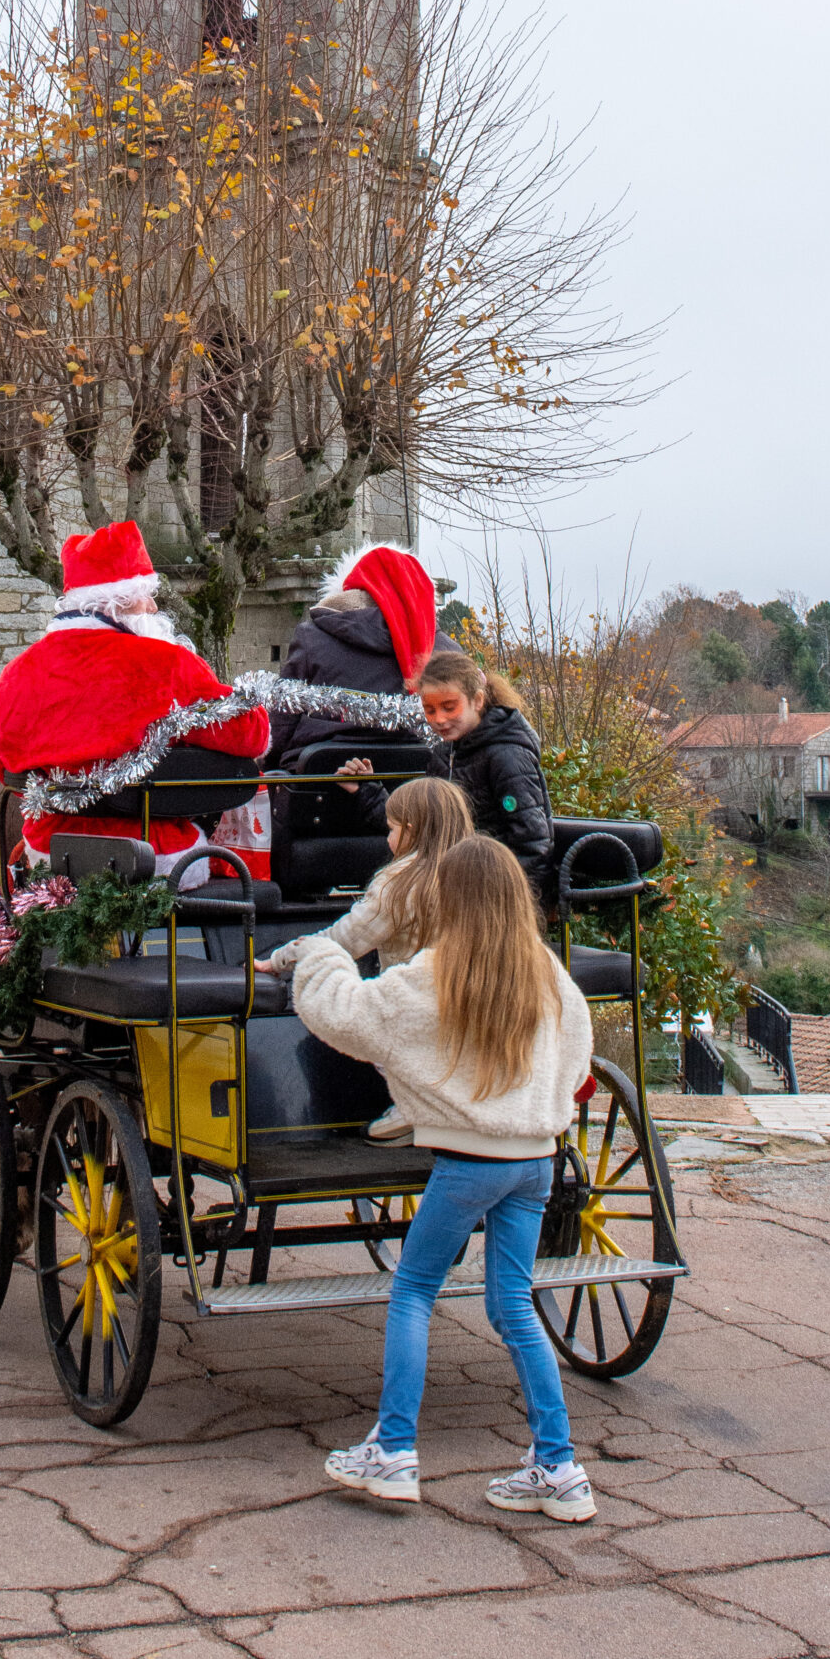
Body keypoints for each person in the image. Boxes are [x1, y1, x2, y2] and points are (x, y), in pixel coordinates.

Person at [288, 836, 595, 1516]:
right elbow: (577, 1060)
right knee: (513, 1306)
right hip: (533, 1162)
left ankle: (392, 1450)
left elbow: (349, 1016)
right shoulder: (545, 971)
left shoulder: (435, 971)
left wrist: (320, 955)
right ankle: (558, 1467)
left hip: (466, 1162)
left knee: (414, 1292)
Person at [0, 519, 268, 878]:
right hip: (154, 853)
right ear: (119, 602)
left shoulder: (17, 673)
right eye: (145, 595)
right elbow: (250, 733)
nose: (152, 608)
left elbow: (1, 763)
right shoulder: (164, 664)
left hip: (50, 851)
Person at [256, 778, 474, 1141]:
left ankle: (415, 1103)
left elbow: (344, 941)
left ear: (411, 830)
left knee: (366, 1027)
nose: (387, 839)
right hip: (473, 998)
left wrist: (279, 959)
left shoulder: (399, 884)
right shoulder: (475, 873)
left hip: (418, 1006)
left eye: (391, 829)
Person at [339, 646, 555, 902]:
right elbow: (423, 829)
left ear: (477, 700)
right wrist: (367, 790)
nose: (439, 719)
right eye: (430, 710)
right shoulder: (445, 754)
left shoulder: (507, 756)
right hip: (455, 890)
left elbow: (533, 846)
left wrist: (499, 904)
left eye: (449, 707)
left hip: (494, 899)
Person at [268, 544, 460, 774]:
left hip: (320, 779)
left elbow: (281, 726)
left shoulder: (312, 637)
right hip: (422, 790)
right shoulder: (448, 653)